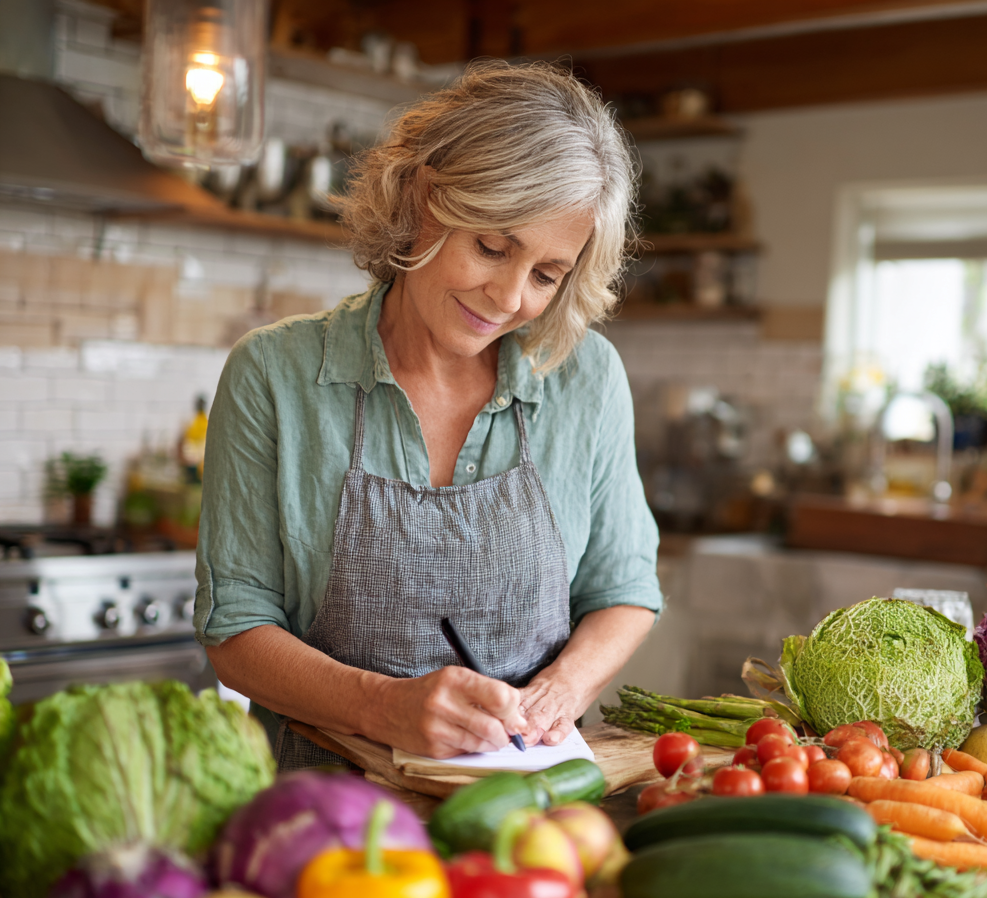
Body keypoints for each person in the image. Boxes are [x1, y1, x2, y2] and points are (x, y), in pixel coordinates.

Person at [196, 60, 663, 770]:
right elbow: (235, 631)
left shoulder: (585, 378)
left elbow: (624, 590)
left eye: (545, 275)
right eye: (491, 246)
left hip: (528, 811)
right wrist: (384, 707)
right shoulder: (275, 374)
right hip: (324, 818)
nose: (508, 297)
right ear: (423, 196)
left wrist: (558, 693)